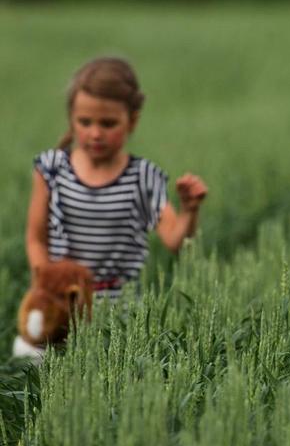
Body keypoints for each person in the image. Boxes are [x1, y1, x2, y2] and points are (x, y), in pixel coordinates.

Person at [25, 56, 208, 300]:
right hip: (62, 303)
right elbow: (36, 239)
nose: (96, 133)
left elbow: (175, 242)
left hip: (123, 314)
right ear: (71, 118)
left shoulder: (143, 177)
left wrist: (189, 211)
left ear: (132, 121)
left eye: (108, 123)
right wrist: (47, 283)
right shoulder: (51, 169)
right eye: (85, 122)